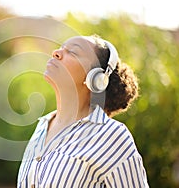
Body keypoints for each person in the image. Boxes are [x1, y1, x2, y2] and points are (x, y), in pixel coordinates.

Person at [17, 35, 149, 187]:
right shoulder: (42, 126)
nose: (56, 53)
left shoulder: (111, 136)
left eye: (73, 52)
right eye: (61, 48)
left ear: (96, 78)